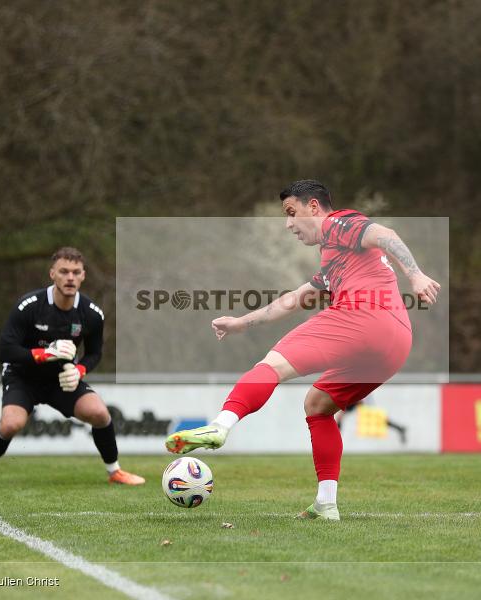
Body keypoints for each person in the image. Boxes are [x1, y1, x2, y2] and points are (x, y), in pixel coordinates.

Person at [165, 180, 440, 520]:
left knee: (273, 364)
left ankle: (220, 425)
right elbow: (292, 301)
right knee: (318, 405)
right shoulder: (334, 259)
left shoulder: (338, 223)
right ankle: (326, 503)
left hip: (363, 317)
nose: (288, 224)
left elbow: (386, 234)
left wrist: (415, 275)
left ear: (314, 207)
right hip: (396, 341)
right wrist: (240, 323)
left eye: (291, 213)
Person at [0, 247, 145, 486]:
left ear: (83, 275)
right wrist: (44, 354)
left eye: (76, 272)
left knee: (100, 413)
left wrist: (79, 370)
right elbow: (5, 351)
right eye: (64, 271)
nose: (70, 278)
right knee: (12, 424)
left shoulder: (92, 314)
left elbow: (94, 353)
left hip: (60, 380)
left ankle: (115, 471)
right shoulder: (29, 306)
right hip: (22, 376)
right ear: (52, 274)